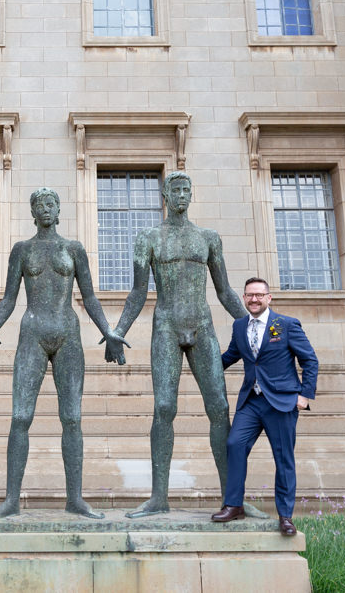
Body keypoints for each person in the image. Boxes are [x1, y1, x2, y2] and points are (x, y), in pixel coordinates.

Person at [0, 188, 128, 520]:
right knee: (20, 417)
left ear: (59, 210)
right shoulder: (22, 250)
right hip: (32, 334)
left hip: (68, 335)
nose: (45, 209)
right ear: (33, 212)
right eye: (39, 204)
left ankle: (75, 499)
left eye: (50, 204)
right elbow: (8, 300)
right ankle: (11, 500)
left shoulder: (73, 249)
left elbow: (90, 297)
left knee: (72, 418)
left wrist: (108, 331)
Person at [108, 171, 247, 518]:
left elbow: (225, 291)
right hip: (167, 326)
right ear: (166, 196)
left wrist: (257, 324)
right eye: (176, 190)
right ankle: (159, 497)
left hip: (202, 326)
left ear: (191, 195)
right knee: (164, 409)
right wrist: (118, 331)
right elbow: (138, 293)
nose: (182, 195)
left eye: (187, 189)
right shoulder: (149, 238)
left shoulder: (208, 238)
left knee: (219, 409)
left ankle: (233, 499)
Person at [211, 277, 318, 536]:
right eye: (249, 295)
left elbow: (310, 360)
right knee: (234, 445)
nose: (254, 299)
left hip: (281, 402)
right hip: (251, 401)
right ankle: (234, 505)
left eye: (259, 295)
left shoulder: (287, 325)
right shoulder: (239, 326)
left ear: (269, 298)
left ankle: (285, 516)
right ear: (244, 298)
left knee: (283, 459)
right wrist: (202, 362)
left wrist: (304, 395)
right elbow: (229, 356)